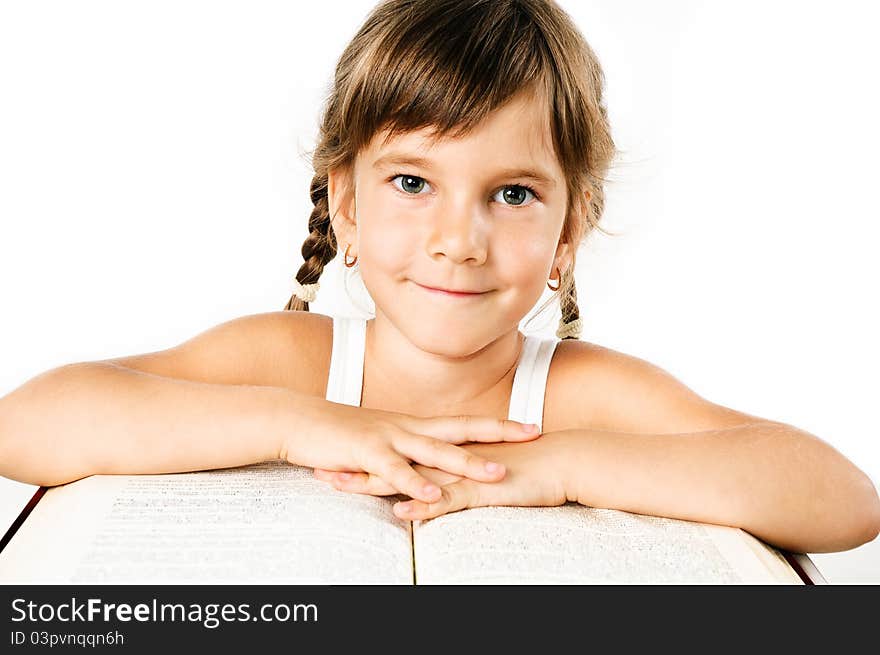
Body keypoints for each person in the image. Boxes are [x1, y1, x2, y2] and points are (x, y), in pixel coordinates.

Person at [0, 0, 877, 556]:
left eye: (513, 192)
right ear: (345, 203)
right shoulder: (290, 361)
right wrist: (300, 425)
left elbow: (842, 499)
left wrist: (567, 465)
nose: (460, 240)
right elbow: (24, 425)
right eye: (413, 182)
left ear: (570, 227)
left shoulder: (579, 392)